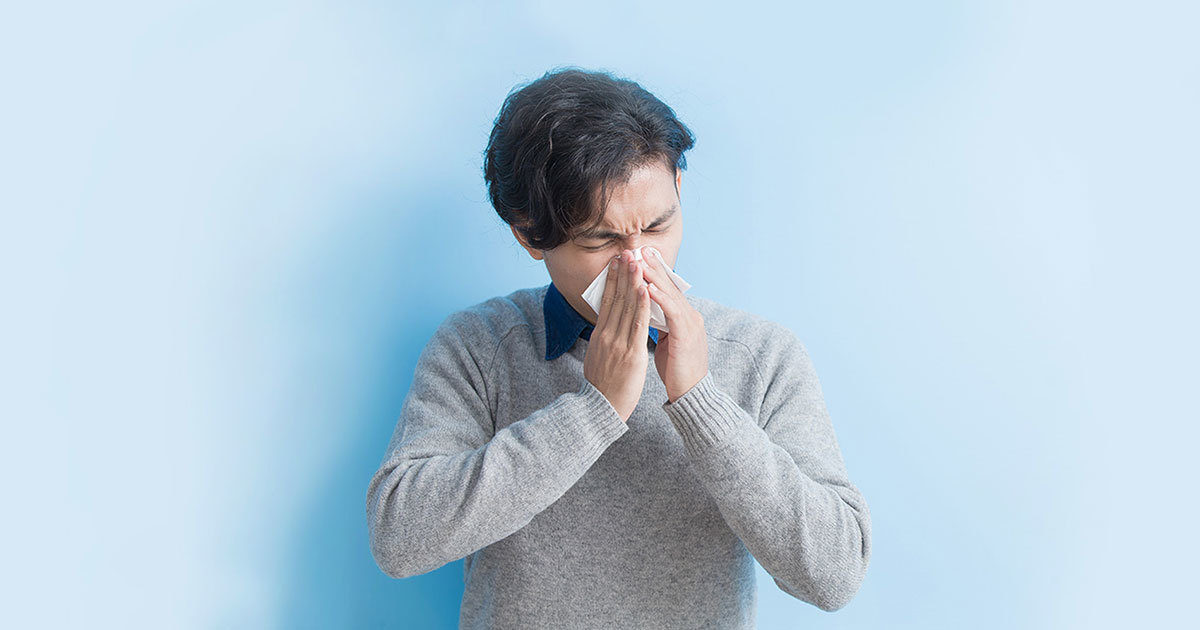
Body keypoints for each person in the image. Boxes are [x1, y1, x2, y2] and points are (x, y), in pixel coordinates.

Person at [365, 67, 871, 628]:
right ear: (530, 234)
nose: (638, 262)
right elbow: (400, 539)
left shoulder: (761, 355)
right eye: (602, 240)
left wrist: (702, 401)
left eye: (657, 226)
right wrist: (592, 411)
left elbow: (835, 575)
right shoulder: (478, 347)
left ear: (679, 186)